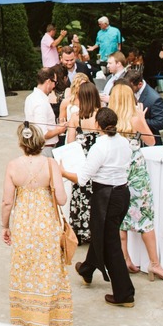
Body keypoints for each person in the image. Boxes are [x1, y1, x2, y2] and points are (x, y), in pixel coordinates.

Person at [3, 123, 74, 326]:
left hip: (23, 225)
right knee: (49, 270)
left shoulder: (12, 166)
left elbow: (7, 202)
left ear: (21, 142)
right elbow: (61, 199)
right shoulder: (50, 163)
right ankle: (50, 321)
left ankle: (28, 321)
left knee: (25, 270)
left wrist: (4, 226)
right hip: (47, 225)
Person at [108, 83, 163, 280]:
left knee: (120, 221)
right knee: (145, 220)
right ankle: (155, 264)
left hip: (117, 175)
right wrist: (142, 119)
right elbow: (152, 141)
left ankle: (125, 259)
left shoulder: (109, 121)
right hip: (136, 177)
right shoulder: (135, 119)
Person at [73, 108, 137, 308]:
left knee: (111, 245)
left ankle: (124, 293)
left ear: (98, 125)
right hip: (122, 194)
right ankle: (87, 269)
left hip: (106, 196)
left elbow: (83, 179)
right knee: (104, 234)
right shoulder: (124, 142)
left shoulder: (100, 147)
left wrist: (62, 171)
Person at [64, 81, 102, 245]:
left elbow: (70, 142)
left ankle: (80, 230)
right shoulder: (100, 115)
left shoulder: (75, 117)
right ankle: (96, 229)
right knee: (97, 195)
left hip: (81, 160)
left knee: (80, 194)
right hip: (97, 160)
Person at [24, 68, 67, 152]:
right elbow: (42, 133)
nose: (54, 86)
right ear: (48, 81)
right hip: (45, 148)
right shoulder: (41, 102)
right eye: (55, 82)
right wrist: (59, 130)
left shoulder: (30, 97)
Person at [123, 66, 163, 143]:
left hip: (149, 140)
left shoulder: (154, 99)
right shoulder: (129, 91)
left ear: (139, 84)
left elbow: (160, 123)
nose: (128, 89)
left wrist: (139, 120)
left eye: (130, 87)